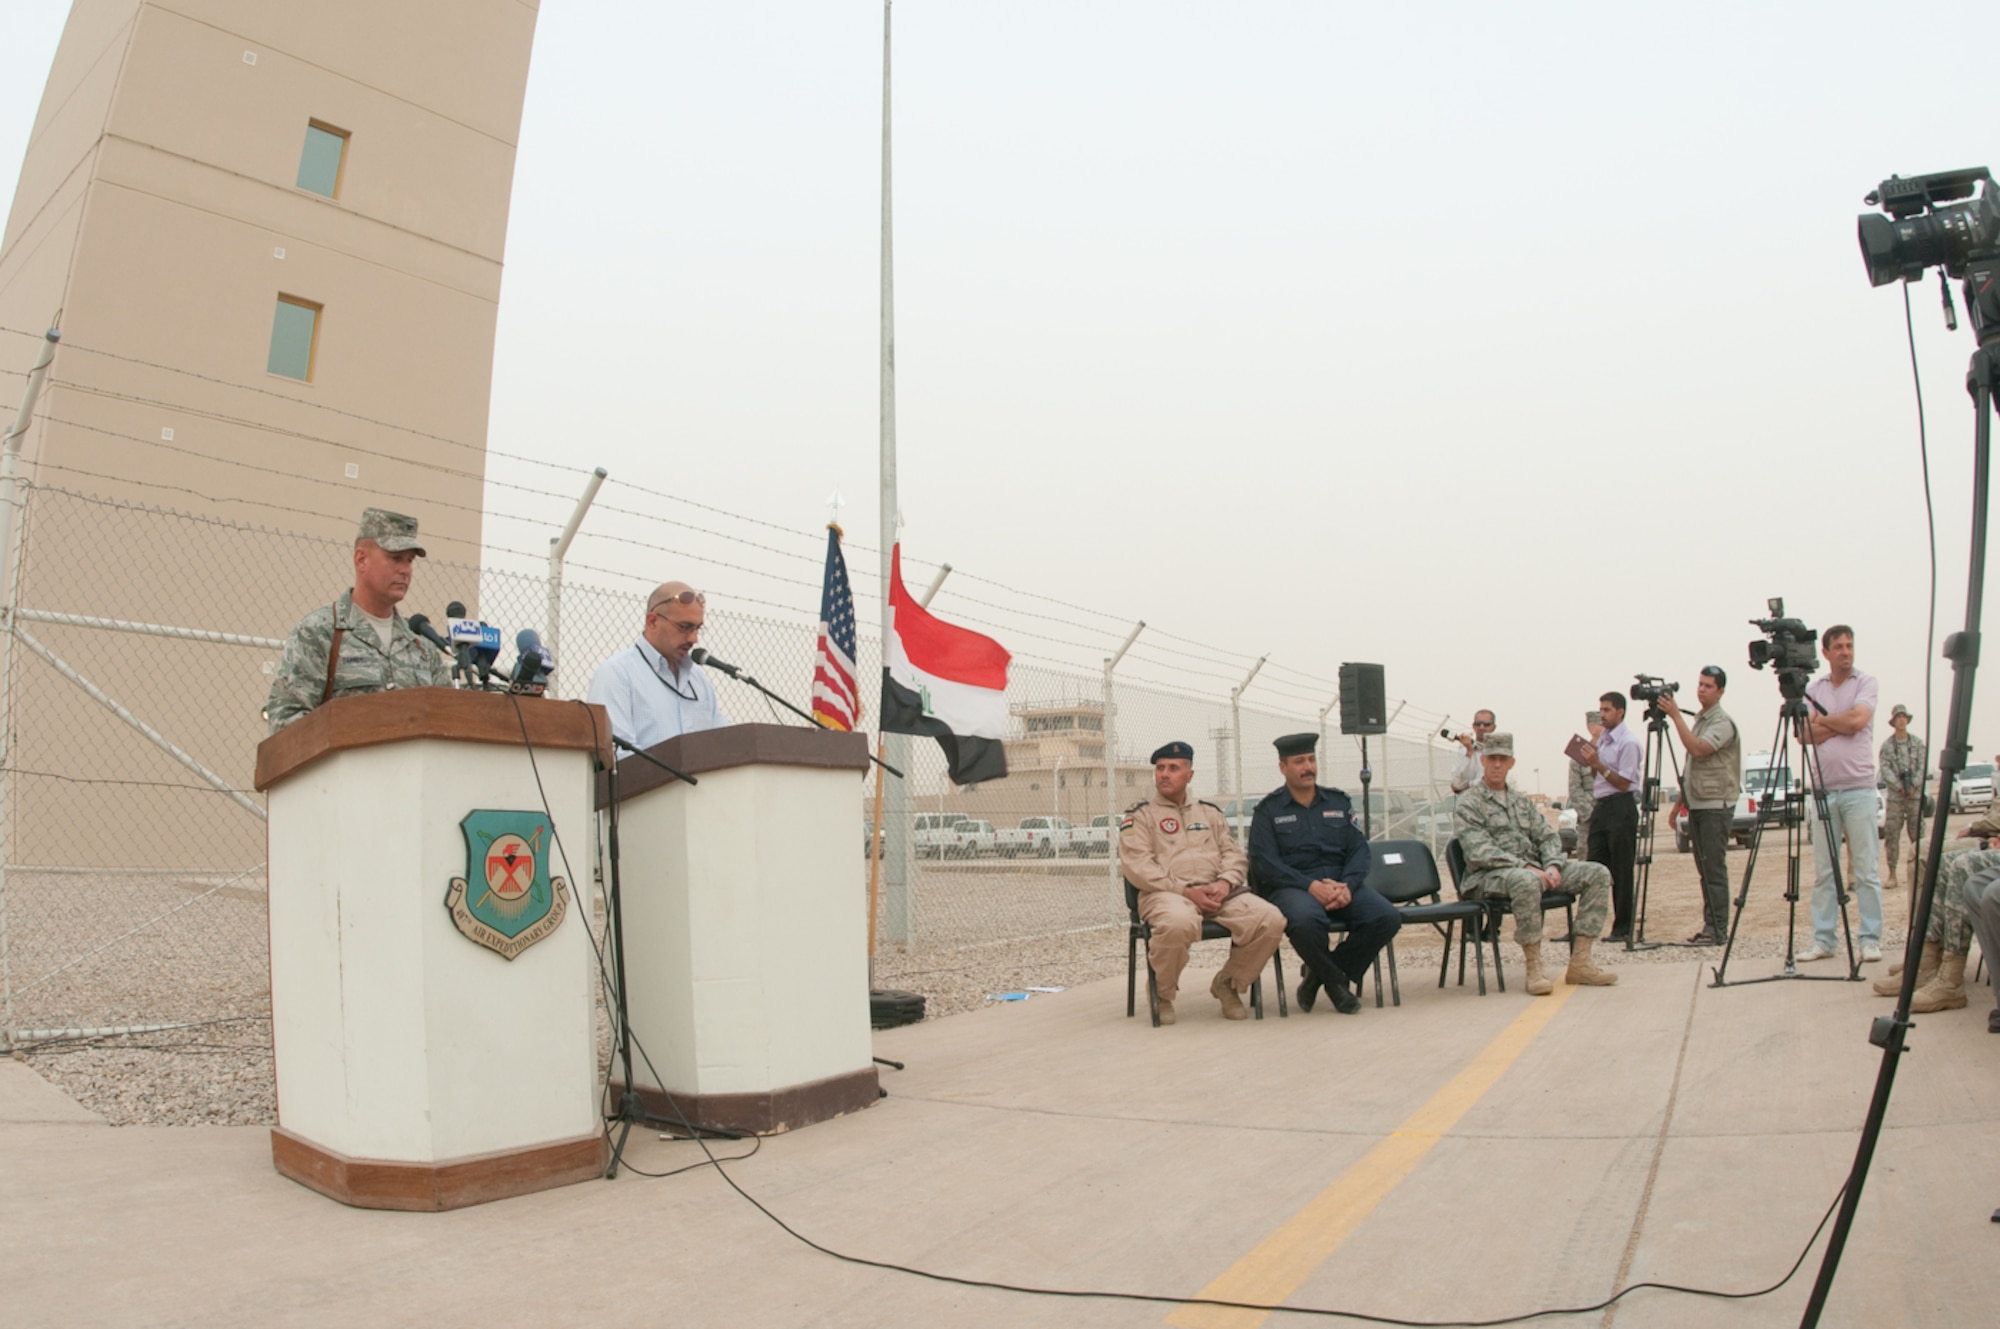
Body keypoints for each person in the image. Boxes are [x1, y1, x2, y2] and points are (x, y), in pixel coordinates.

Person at [1118, 741, 1285, 1025]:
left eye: (1173, 768)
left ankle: (1228, 984)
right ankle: (1163, 992)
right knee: (1177, 923)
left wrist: (1225, 883)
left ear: (1190, 775)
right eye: (1160, 769)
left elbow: (1233, 854)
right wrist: (1185, 891)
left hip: (1217, 892)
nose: (1164, 774)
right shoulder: (1140, 816)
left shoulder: (1209, 813)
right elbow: (1139, 867)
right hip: (1166, 894)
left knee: (1270, 919)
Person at [1249, 733, 1402, 1015]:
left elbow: (1359, 850)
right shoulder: (1268, 810)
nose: (1308, 767)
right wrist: (1310, 886)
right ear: (1283, 768)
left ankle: (1318, 975)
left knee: (1386, 916)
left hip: (1339, 882)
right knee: (1306, 921)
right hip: (1293, 887)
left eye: (1311, 759)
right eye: (1299, 762)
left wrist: (1348, 885)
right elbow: (1264, 862)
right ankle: (1336, 985)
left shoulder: (1338, 802)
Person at [1454, 733, 1616, 994]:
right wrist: (1526, 867)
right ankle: (1534, 966)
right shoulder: (1469, 803)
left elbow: (1547, 836)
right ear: (1483, 761)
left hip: (1536, 871)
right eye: (1492, 759)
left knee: (1597, 873)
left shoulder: (1521, 802)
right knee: (1525, 880)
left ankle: (1581, 962)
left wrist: (1552, 865)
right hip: (1488, 877)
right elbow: (1478, 852)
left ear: (1511, 763)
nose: (1497, 765)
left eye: (1503, 759)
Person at [264, 508, 450, 730]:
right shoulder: (320, 633)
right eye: (395, 558)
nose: (405, 570)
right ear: (361, 560)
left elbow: (446, 721)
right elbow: (285, 719)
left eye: (409, 561)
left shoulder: (423, 649)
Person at [1799, 625, 1884, 963]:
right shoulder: (1813, 688)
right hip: (1823, 791)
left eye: (1850, 645)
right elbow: (1803, 733)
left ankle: (1870, 939)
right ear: (1826, 652)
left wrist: (1826, 722)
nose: (1846, 651)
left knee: (1865, 870)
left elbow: (1858, 721)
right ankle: (1823, 939)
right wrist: (1840, 722)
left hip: (1859, 789)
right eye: (1839, 646)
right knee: (1824, 872)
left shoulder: (1865, 683)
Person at [585, 582, 729, 749]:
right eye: (684, 627)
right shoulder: (616, 675)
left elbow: (724, 745)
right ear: (652, 622)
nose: (693, 639)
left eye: (697, 628)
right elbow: (616, 756)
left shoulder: (698, 680)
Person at [1658, 667, 1740, 945]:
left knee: (1714, 869)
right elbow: (1691, 767)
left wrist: (1675, 716)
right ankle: (1710, 926)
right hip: (1698, 803)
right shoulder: (1702, 720)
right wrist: (1678, 805)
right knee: (1704, 870)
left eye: (1708, 686)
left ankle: (1717, 928)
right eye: (1700, 684)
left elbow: (1699, 749)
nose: (1702, 689)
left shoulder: (1722, 722)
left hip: (1715, 805)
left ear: (1720, 691)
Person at [1581, 692, 1642, 942]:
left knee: (1621, 869)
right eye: (1601, 710)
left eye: (1607, 710)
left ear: (1620, 712)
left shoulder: (1628, 742)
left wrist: (1600, 764)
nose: (1602, 715)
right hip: (1602, 806)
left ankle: (1623, 927)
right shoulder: (1603, 741)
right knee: (1593, 866)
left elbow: (1624, 782)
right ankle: (1586, 926)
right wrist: (1594, 761)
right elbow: (1599, 778)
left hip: (1621, 807)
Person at [1879, 704, 1928, 891]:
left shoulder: (1917, 743)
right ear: (1893, 721)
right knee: (1892, 835)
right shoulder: (1887, 746)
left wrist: (1914, 784)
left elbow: (1922, 765)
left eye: (1904, 716)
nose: (1901, 720)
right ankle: (1892, 873)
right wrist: (1900, 786)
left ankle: (1919, 873)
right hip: (1896, 798)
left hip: (1914, 796)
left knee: (1918, 835)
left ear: (1907, 719)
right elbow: (1885, 769)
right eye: (1898, 717)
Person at [1568, 711, 1603, 860]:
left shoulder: (1616, 751)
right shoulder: (1579, 754)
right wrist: (1591, 814)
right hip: (1589, 820)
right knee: (1587, 861)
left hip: (1612, 815)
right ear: (1591, 727)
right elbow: (1574, 789)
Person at [1448, 710, 1496, 794]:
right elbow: (1456, 784)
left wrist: (1467, 785)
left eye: (1486, 724)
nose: (1481, 727)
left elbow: (1491, 783)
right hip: (1467, 804)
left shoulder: (1497, 753)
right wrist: (1469, 752)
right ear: (1473, 726)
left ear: (1493, 727)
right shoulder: (1463, 752)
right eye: (1478, 724)